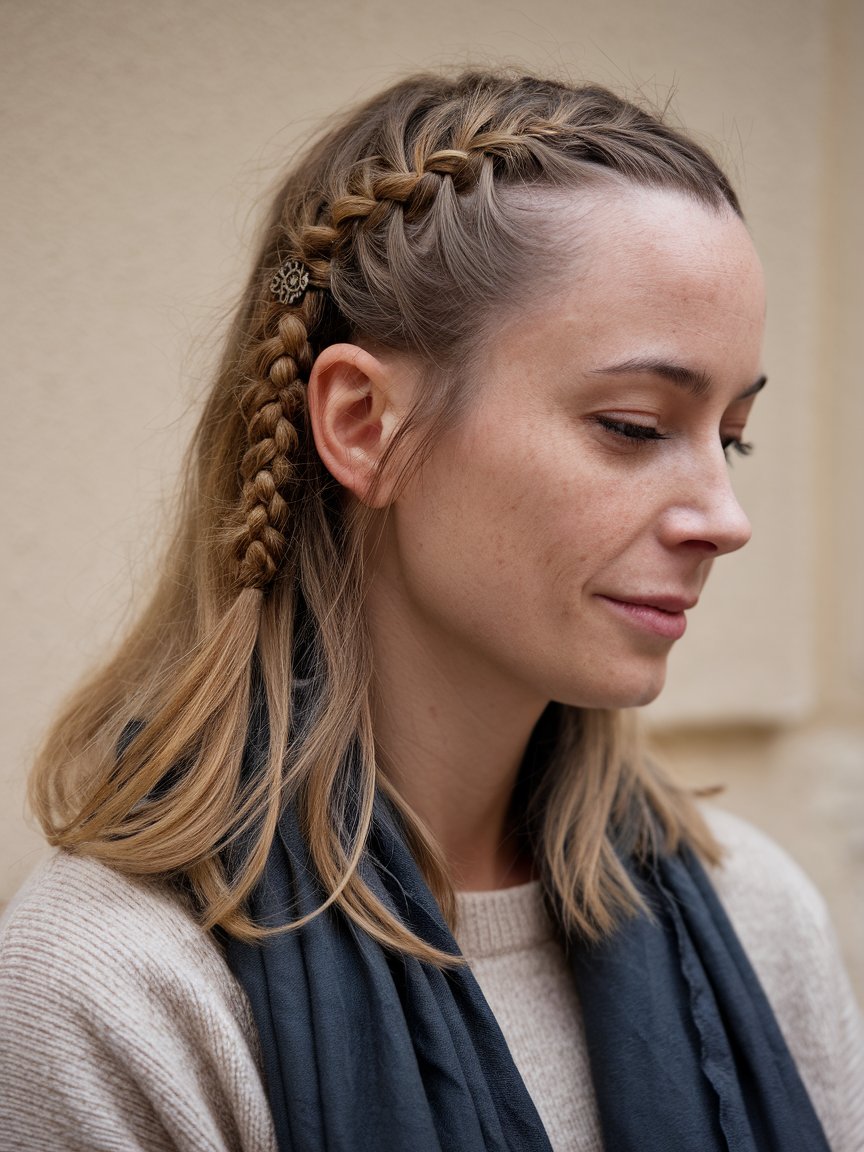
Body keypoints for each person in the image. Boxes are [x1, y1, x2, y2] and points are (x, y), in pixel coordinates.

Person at [0, 69, 861, 1152]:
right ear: (364, 424)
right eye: (636, 427)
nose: (724, 518)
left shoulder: (757, 920)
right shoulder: (121, 997)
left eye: (729, 436)